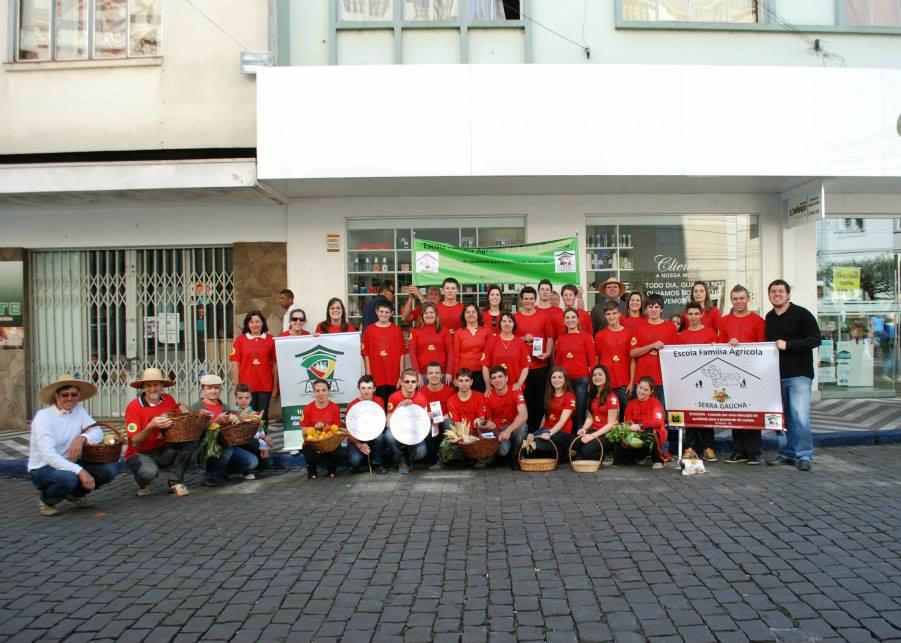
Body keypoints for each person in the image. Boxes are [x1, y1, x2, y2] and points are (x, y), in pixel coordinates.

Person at [28, 375, 119, 516]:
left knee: (109, 470)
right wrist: (80, 471)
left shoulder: (79, 411)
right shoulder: (44, 417)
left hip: (71, 461)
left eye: (74, 394)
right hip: (44, 468)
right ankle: (47, 500)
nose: (70, 398)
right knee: (68, 479)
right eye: (65, 394)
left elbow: (98, 431)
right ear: (56, 395)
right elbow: (48, 455)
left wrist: (82, 438)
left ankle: (76, 495)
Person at [765, 279, 821, 472]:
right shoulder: (769, 317)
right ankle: (786, 453)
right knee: (782, 418)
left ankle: (804, 455)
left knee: (800, 417)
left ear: (788, 294)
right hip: (775, 377)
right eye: (773, 292)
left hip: (799, 376)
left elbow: (815, 339)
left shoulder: (802, 314)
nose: (777, 294)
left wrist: (788, 345)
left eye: (780, 291)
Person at [124, 368, 194, 497]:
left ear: (162, 386)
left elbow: (179, 423)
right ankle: (142, 483)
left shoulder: (168, 400)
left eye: (156, 385)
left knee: (188, 444)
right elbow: (134, 441)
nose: (152, 389)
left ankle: (175, 481)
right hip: (140, 452)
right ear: (143, 387)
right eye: (148, 385)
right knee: (149, 472)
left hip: (163, 448)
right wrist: (151, 427)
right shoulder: (134, 407)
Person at [719, 284, 766, 465]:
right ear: (731, 300)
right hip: (731, 374)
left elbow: (763, 347)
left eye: (741, 298)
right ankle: (738, 451)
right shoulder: (724, 321)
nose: (738, 301)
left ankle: (754, 452)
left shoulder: (758, 321)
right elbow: (719, 347)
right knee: (735, 411)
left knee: (751, 411)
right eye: (735, 298)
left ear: (747, 299)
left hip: (752, 373)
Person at [191, 374, 258, 486]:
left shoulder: (224, 407)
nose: (213, 391)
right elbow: (196, 432)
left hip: (226, 444)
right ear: (202, 389)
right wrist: (216, 421)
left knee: (252, 462)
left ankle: (222, 471)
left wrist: (240, 420)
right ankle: (211, 476)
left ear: (220, 389)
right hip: (206, 448)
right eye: (209, 388)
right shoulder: (196, 408)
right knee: (227, 450)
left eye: (216, 387)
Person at [678, 302, 720, 463]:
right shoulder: (681, 336)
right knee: (690, 414)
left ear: (701, 315)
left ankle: (708, 447)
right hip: (689, 381)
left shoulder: (710, 333)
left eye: (696, 314)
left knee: (707, 413)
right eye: (690, 314)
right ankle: (690, 447)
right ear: (686, 315)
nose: (693, 317)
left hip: (707, 382)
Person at [515, 286, 555, 432]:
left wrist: (547, 353)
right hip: (522, 368)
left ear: (535, 299)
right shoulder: (516, 317)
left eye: (531, 298)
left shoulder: (543, 317)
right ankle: (526, 432)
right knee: (525, 400)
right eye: (526, 299)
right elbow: (511, 338)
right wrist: (523, 338)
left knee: (540, 401)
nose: (529, 301)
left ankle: (538, 432)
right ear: (521, 300)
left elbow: (550, 337)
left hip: (540, 366)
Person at [630, 293, 678, 409]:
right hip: (642, 380)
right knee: (640, 414)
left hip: (662, 380)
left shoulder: (670, 327)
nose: (653, 310)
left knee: (660, 414)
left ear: (662, 309)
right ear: (646, 309)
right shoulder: (639, 327)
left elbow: (675, 355)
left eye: (656, 307)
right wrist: (651, 346)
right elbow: (633, 353)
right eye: (650, 307)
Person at [230, 310, 278, 425]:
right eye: (251, 322)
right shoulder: (240, 340)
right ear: (247, 324)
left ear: (263, 323)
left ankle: (263, 439)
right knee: (247, 416)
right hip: (246, 386)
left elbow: (275, 364)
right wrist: (237, 385)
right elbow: (235, 363)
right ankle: (250, 440)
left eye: (257, 321)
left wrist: (275, 386)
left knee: (263, 415)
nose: (255, 324)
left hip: (265, 385)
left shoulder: (271, 340)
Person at [554, 307, 597, 431]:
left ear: (578, 320)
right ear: (564, 321)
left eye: (573, 317)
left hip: (581, 380)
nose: (570, 320)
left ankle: (578, 436)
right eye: (567, 317)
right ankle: (566, 436)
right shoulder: (561, 339)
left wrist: (591, 380)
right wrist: (557, 380)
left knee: (580, 410)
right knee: (566, 410)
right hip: (565, 381)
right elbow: (558, 363)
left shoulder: (586, 337)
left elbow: (592, 361)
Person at [385, 369, 430, 474]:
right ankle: (401, 459)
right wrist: (398, 407)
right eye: (407, 381)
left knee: (421, 452)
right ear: (401, 382)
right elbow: (388, 424)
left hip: (415, 433)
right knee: (388, 435)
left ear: (417, 382)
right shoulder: (393, 397)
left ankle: (408, 458)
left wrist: (427, 417)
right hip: (398, 432)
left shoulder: (421, 397)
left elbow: (424, 425)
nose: (410, 384)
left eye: (413, 382)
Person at [361, 300, 406, 407]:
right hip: (376, 375)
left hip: (393, 376)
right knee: (377, 405)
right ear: (376, 312)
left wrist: (401, 376)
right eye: (381, 311)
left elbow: (402, 354)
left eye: (387, 312)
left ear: (391, 313)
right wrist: (368, 374)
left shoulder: (396, 330)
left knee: (393, 405)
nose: (384, 314)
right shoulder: (369, 330)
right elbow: (365, 353)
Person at [483, 366, 529, 468]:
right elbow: (488, 418)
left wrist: (508, 430)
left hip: (514, 427)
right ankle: (500, 456)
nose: (497, 380)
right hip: (499, 429)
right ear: (490, 381)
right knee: (503, 451)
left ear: (506, 378)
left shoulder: (515, 390)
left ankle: (516, 456)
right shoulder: (488, 395)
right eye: (494, 378)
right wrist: (488, 422)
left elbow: (524, 414)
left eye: (500, 376)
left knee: (523, 426)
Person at [443, 368, 490, 467]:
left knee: (487, 429)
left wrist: (480, 421)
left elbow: (482, 418)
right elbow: (457, 424)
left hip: (477, 432)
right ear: (456, 382)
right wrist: (466, 439)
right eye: (461, 380)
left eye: (467, 380)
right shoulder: (451, 400)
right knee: (447, 422)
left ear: (471, 382)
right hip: (462, 434)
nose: (464, 383)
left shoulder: (480, 396)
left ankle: (481, 457)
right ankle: (465, 455)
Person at [594, 302, 634, 417]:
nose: (611, 316)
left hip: (624, 383)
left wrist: (631, 382)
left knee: (626, 415)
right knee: (606, 416)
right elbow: (596, 359)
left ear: (619, 314)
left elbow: (632, 360)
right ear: (604, 316)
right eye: (608, 314)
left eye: (614, 313)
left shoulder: (628, 334)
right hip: (606, 383)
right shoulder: (599, 335)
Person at [573, 365, 619, 462]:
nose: (597, 377)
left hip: (607, 434)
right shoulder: (592, 394)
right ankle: (584, 455)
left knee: (586, 451)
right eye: (594, 375)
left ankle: (608, 453)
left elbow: (611, 424)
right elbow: (590, 417)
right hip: (594, 430)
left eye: (600, 374)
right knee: (574, 444)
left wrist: (592, 436)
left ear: (606, 377)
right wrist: (584, 429)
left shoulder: (612, 397)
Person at [301, 379, 344, 479]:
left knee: (338, 453)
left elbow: (336, 429)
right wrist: (314, 428)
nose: (321, 393)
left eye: (324, 390)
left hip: (329, 440)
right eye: (317, 391)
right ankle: (311, 468)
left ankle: (332, 468)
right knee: (310, 454)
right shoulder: (307, 409)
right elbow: (304, 432)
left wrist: (325, 427)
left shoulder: (334, 407)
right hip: (313, 442)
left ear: (329, 392)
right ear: (314, 392)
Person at [620, 376, 667, 469]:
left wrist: (641, 425)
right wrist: (630, 425)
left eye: (646, 389)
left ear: (651, 391)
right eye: (640, 388)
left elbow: (658, 422)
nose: (641, 391)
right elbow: (628, 421)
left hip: (652, 434)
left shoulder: (655, 403)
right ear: (637, 387)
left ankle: (658, 460)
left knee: (653, 431)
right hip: (637, 434)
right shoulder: (631, 404)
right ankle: (641, 456)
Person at [346, 375, 388, 475]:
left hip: (374, 436)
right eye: (363, 388)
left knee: (380, 437)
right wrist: (358, 444)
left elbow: (381, 422)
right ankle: (360, 463)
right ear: (358, 389)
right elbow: (348, 430)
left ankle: (377, 463)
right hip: (357, 440)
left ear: (374, 389)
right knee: (355, 461)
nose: (366, 391)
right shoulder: (352, 405)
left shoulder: (379, 401)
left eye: (369, 388)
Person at [533, 366, 577, 460]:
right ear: (550, 380)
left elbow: (562, 421)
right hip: (546, 428)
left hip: (562, 432)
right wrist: (539, 432)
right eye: (554, 377)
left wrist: (549, 433)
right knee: (528, 441)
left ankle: (563, 450)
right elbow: (545, 416)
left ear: (565, 379)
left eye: (560, 377)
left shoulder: (569, 396)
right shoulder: (549, 395)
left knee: (537, 445)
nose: (556, 380)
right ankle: (555, 453)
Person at [482, 312, 530, 395]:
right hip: (496, 387)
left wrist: (519, 383)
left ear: (514, 324)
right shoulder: (492, 341)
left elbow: (525, 366)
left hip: (515, 387)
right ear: (500, 324)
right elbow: (485, 365)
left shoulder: (519, 342)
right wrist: (487, 385)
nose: (507, 324)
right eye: (504, 321)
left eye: (510, 321)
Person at [234, 383, 277, 472]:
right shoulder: (234, 413)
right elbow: (244, 434)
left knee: (268, 461)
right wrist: (263, 438)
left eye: (247, 398)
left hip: (254, 444)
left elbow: (260, 430)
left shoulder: (253, 413)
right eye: (240, 398)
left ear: (251, 398)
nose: (244, 401)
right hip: (240, 445)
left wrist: (264, 447)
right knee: (254, 443)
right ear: (236, 399)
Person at [408, 301, 453, 386]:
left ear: (436, 314)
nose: (429, 315)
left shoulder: (444, 330)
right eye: (426, 313)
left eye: (432, 312)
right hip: (423, 375)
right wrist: (417, 373)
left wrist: (449, 372)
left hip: (441, 374)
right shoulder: (415, 331)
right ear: (422, 315)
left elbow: (450, 352)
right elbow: (412, 354)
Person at [420, 362, 456, 467]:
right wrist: (426, 414)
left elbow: (454, 412)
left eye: (437, 373)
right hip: (430, 424)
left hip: (445, 421)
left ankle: (447, 456)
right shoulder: (421, 392)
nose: (434, 375)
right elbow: (419, 413)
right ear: (426, 375)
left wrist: (441, 418)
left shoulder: (450, 391)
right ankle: (432, 459)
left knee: (449, 422)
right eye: (431, 373)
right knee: (426, 426)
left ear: (441, 375)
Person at [454, 303, 492, 392]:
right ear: (464, 315)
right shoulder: (459, 333)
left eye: (473, 312)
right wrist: (455, 376)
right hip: (464, 373)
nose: (470, 314)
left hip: (482, 372)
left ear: (478, 314)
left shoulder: (486, 331)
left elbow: (490, 354)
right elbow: (456, 355)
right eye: (467, 312)